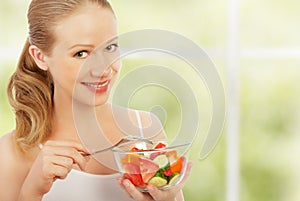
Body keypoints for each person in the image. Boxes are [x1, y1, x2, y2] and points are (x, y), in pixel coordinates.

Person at [0, 0, 192, 200]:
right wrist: (32, 190)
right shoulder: (11, 152)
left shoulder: (146, 131)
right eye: (81, 53)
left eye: (110, 47)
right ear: (40, 57)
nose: (103, 68)